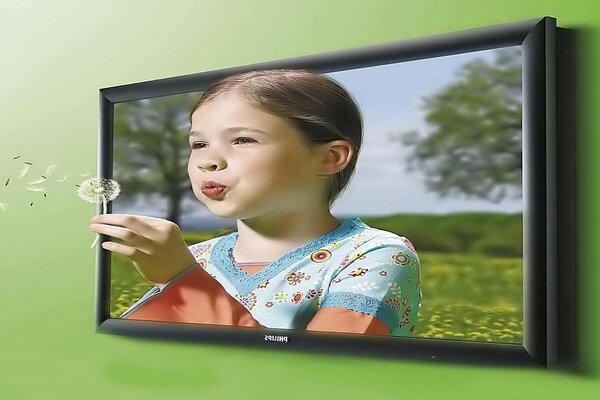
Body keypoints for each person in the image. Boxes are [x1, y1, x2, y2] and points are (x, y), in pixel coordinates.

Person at [108, 68, 422, 336]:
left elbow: (316, 378)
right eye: (199, 143)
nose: (208, 161)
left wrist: (183, 281)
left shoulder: (373, 257)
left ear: (329, 157)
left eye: (243, 139)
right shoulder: (195, 257)